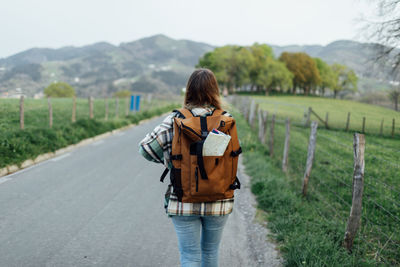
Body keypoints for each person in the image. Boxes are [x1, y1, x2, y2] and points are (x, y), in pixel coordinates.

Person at [138, 68, 238, 267]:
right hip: (219, 198)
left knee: (190, 256)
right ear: (215, 90)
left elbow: (145, 149)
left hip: (183, 200)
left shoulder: (175, 120)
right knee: (210, 252)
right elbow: (233, 154)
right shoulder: (226, 120)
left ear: (189, 91)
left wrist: (171, 160)